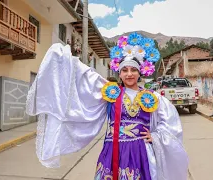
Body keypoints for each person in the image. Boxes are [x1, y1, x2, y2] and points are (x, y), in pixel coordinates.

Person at [26, 32, 188, 180]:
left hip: (140, 151)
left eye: (133, 70)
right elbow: (85, 78)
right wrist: (63, 60)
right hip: (112, 151)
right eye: (125, 70)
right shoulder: (111, 92)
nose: (129, 74)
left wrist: (156, 136)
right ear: (119, 73)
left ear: (140, 72)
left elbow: (170, 123)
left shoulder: (151, 97)